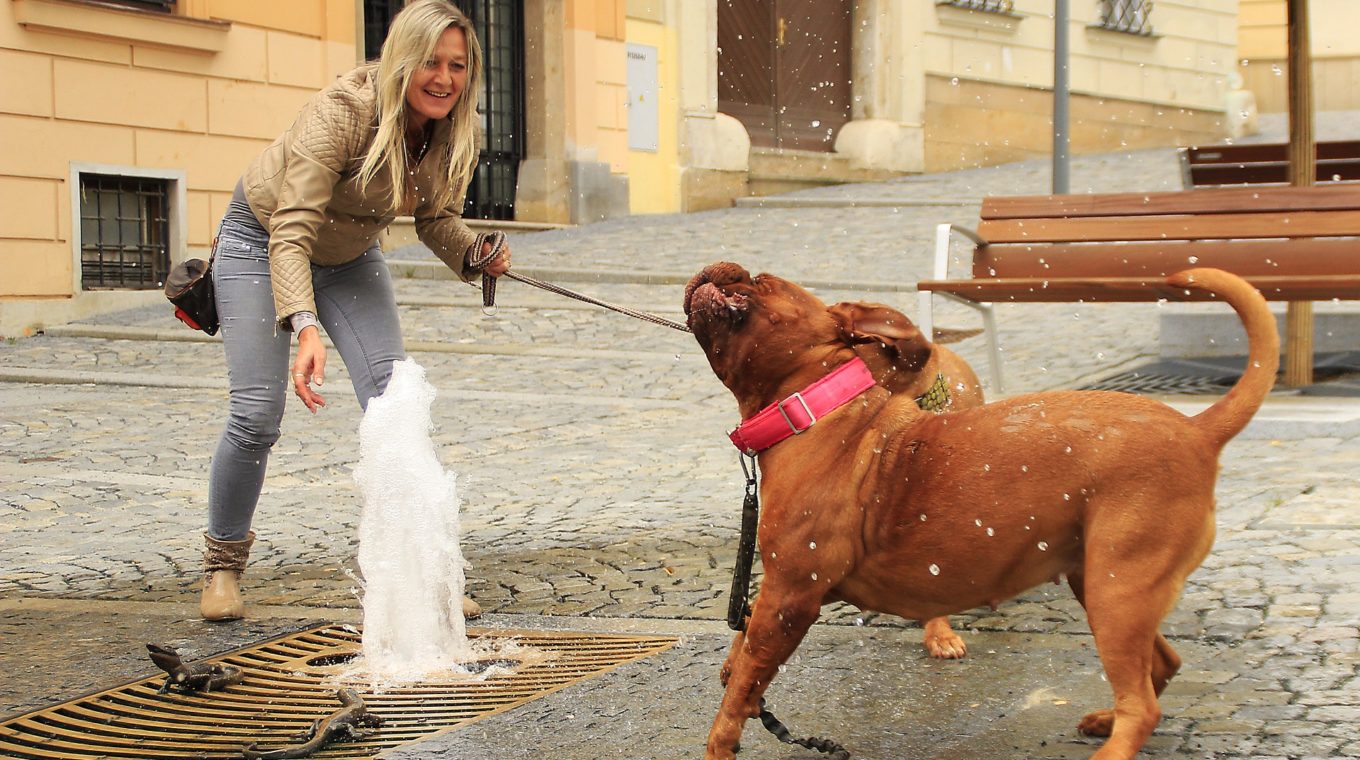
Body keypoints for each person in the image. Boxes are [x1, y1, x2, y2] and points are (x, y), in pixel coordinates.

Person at [199, 0, 508, 622]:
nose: (443, 78)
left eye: (456, 65)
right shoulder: (343, 111)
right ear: (401, 59)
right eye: (429, 62)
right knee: (257, 412)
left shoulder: (449, 129)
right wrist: (304, 322)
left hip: (350, 256)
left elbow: (436, 219)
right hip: (261, 240)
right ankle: (223, 565)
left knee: (395, 402)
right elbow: (290, 227)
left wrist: (476, 253)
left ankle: (424, 574)